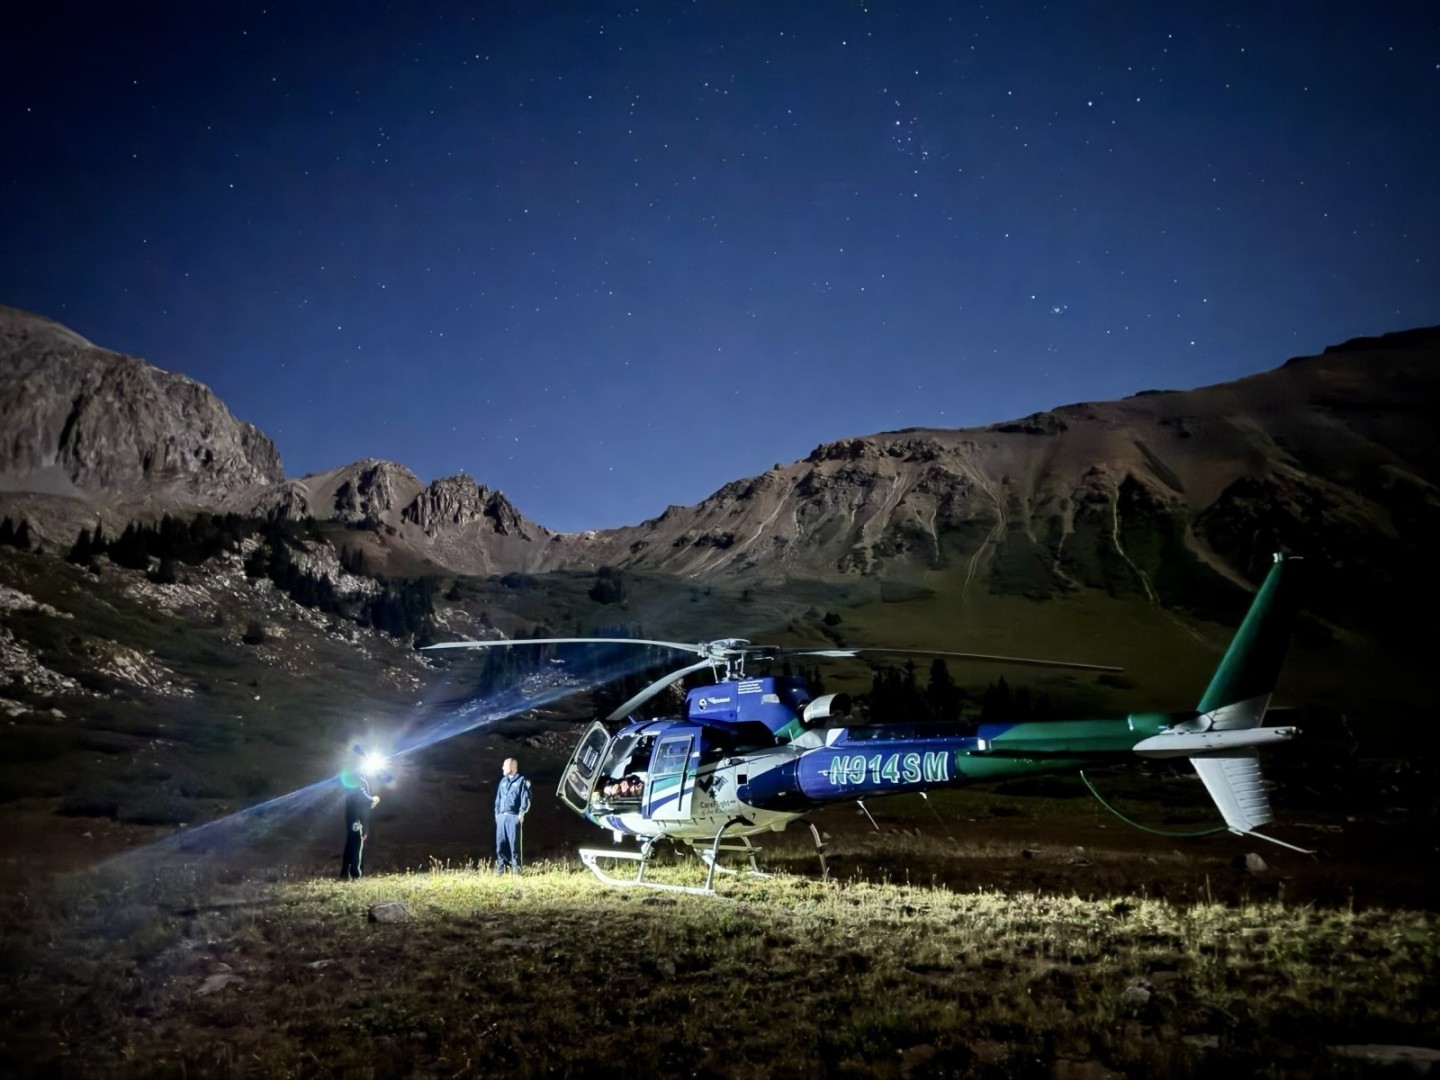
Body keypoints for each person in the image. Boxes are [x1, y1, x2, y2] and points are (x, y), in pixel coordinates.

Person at [494, 757, 531, 873]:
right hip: (501, 818)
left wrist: (521, 814)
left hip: (513, 817)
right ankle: (501, 871)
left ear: (512, 766)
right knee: (500, 845)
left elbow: (525, 799)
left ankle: (517, 871)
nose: (502, 768)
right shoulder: (503, 781)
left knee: (514, 846)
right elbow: (498, 799)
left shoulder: (522, 781)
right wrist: (497, 814)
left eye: (505, 766)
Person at [341, 773, 380, 880]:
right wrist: (373, 799)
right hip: (354, 818)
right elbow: (361, 795)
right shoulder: (356, 779)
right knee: (356, 843)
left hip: (355, 817)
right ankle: (355, 874)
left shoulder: (358, 778)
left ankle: (345, 873)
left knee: (351, 844)